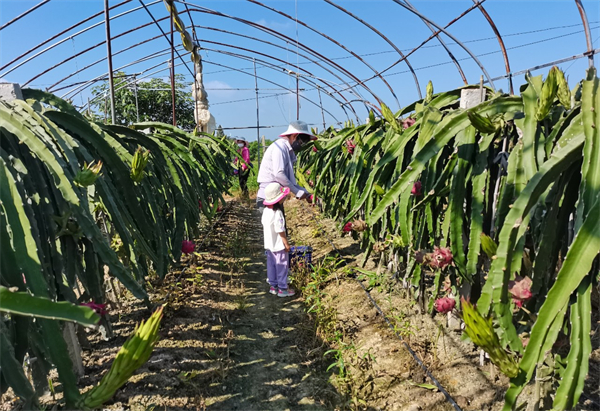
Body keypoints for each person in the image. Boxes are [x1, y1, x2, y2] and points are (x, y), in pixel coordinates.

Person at [256, 120, 317, 212]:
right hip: (267, 199)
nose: (302, 145)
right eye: (301, 142)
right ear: (294, 136)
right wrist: (297, 192)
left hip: (276, 198)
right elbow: (279, 174)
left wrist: (307, 193)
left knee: (279, 225)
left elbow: (289, 181)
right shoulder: (280, 148)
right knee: (274, 225)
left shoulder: (288, 150)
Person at [261, 182, 295, 297]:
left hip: (269, 245)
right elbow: (280, 229)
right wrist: (286, 243)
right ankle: (282, 288)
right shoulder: (278, 213)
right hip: (278, 245)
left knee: (271, 265)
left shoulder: (266, 211)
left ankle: (273, 286)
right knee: (282, 266)